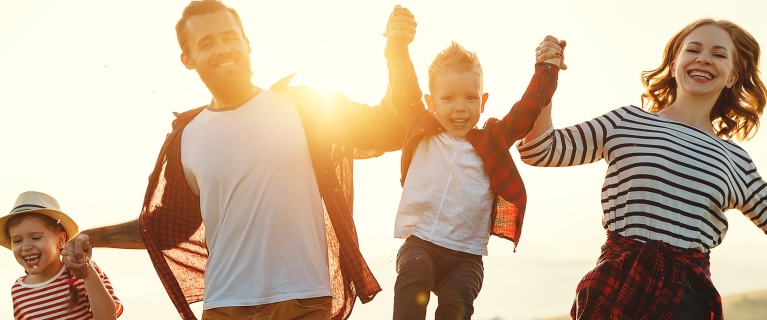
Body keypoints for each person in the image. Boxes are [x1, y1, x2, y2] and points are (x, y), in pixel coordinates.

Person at [61, 1, 411, 319]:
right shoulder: (187, 136)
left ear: (247, 44)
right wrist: (93, 235)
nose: (223, 48)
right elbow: (167, 226)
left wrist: (396, 51)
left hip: (302, 299)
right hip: (224, 307)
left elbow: (389, 130)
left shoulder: (304, 106)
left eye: (230, 37)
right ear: (188, 59)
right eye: (207, 42)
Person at [518, 19, 767, 319]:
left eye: (718, 54)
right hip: (617, 284)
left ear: (731, 77)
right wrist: (547, 75)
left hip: (688, 299)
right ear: (675, 65)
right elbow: (539, 150)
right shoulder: (626, 122)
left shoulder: (734, 159)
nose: (703, 58)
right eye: (694, 49)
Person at [384, 7, 564, 319]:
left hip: (466, 257)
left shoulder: (492, 139)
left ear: (483, 101)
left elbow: (527, 109)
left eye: (470, 98)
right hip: (421, 244)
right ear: (431, 102)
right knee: (413, 280)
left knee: (456, 301)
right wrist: (396, 43)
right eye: (448, 98)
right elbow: (402, 85)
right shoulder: (421, 127)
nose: (460, 108)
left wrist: (547, 68)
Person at [1, 191, 122, 319]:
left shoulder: (85, 271)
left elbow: (108, 317)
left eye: (36, 237)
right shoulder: (19, 290)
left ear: (60, 241)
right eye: (17, 241)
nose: (26, 247)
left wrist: (87, 273)